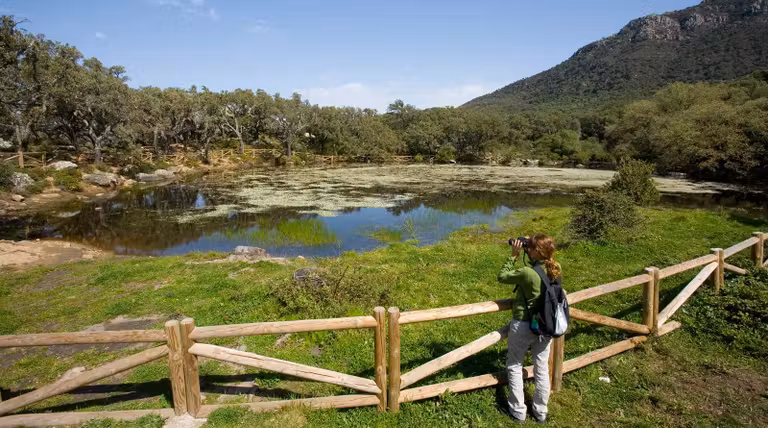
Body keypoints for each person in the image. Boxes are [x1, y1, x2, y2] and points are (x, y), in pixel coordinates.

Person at [497, 234, 561, 424]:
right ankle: (540, 410)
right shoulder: (556, 268)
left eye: (529, 247)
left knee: (515, 364)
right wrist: (531, 242)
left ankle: (518, 411)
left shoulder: (527, 272)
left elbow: (502, 276)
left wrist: (514, 255)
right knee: (541, 367)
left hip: (524, 325)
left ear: (534, 251)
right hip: (546, 325)